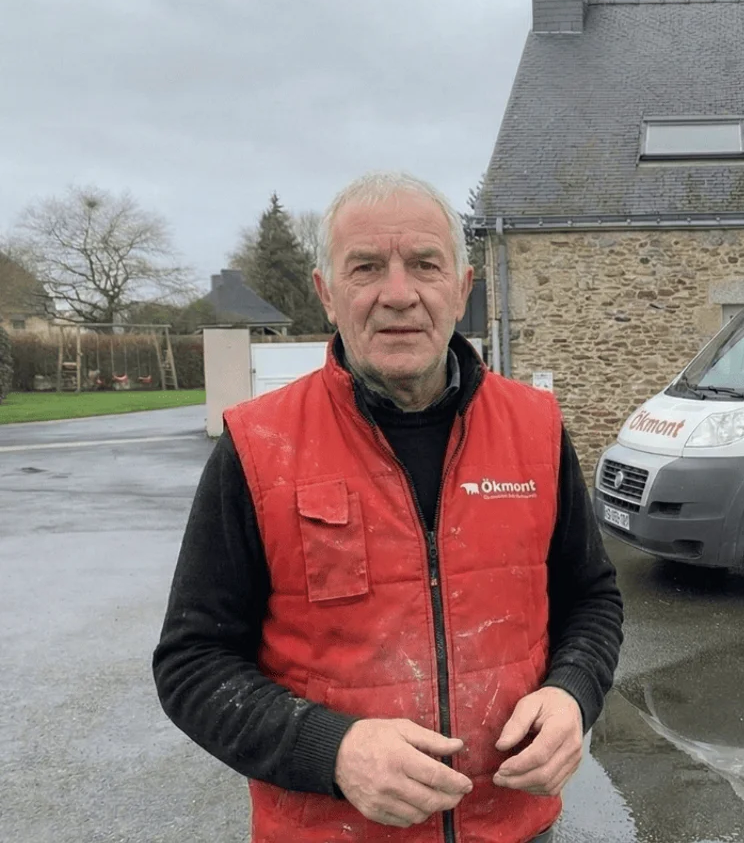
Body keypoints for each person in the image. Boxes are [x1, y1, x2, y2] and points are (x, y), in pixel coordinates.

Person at [153, 171, 624, 842]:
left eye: (425, 266)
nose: (398, 294)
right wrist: (333, 751)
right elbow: (191, 664)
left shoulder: (536, 429)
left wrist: (574, 694)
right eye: (367, 267)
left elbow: (593, 598)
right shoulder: (258, 448)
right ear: (326, 294)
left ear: (462, 289)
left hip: (518, 830)